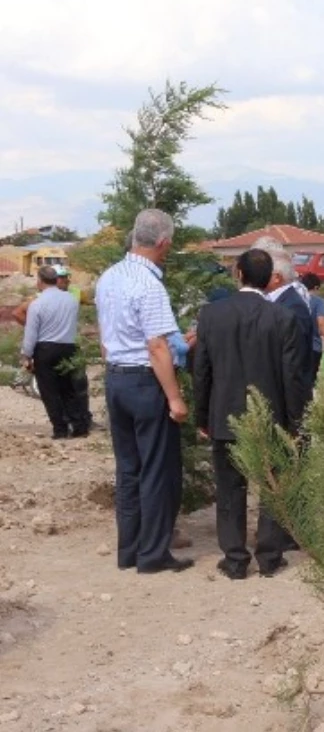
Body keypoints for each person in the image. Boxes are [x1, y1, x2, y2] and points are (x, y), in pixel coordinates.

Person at [193, 249, 308, 580]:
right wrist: (294, 423)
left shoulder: (212, 315)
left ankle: (235, 558)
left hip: (226, 417)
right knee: (272, 485)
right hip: (269, 419)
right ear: (270, 277)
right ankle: (270, 556)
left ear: (238, 274)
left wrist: (203, 418)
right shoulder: (282, 318)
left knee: (230, 488)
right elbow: (293, 377)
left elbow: (202, 372)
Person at [94, 209, 192, 574]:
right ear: (163, 242)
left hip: (116, 378)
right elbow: (157, 347)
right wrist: (174, 397)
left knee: (128, 469)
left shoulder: (109, 277)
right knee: (155, 469)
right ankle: (153, 553)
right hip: (144, 381)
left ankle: (129, 549)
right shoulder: (149, 285)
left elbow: (105, 340)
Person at [20, 265, 90, 439]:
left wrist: (26, 355)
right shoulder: (71, 300)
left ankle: (60, 429)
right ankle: (79, 426)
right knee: (69, 388)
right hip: (69, 347)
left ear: (40, 281)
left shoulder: (37, 304)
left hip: (46, 349)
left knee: (49, 392)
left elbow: (31, 333)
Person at [253, 238, 315, 401]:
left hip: (287, 396)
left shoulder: (292, 307)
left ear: (276, 277)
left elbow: (294, 362)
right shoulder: (279, 301)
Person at [302, 273, 324, 388]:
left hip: (296, 346)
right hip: (313, 347)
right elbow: (321, 322)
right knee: (310, 381)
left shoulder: (296, 299)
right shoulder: (318, 302)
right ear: (316, 287)